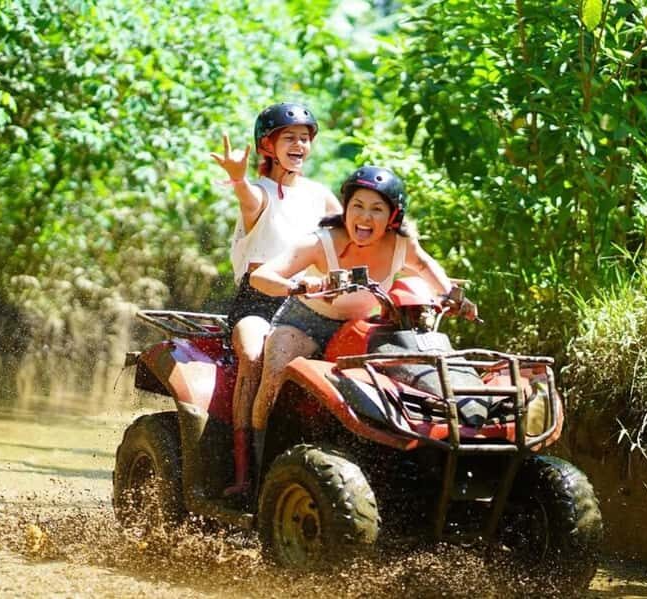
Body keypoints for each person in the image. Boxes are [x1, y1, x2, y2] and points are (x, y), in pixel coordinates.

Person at [247, 165, 477, 479]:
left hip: (357, 330)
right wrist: (301, 285)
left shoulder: (401, 245)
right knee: (274, 374)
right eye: (357, 206)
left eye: (376, 209)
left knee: (394, 391)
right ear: (346, 209)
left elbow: (425, 266)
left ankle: (402, 469)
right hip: (303, 323)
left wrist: (453, 296)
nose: (365, 217)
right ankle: (256, 468)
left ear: (393, 217)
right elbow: (261, 277)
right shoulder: (321, 241)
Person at [197, 102, 341, 503]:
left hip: (311, 303)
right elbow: (249, 203)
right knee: (255, 354)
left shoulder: (321, 196)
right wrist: (238, 178)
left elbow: (356, 236)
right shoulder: (258, 192)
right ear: (268, 145)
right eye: (289, 137)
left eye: (305, 138)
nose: (299, 144)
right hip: (257, 301)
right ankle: (246, 475)